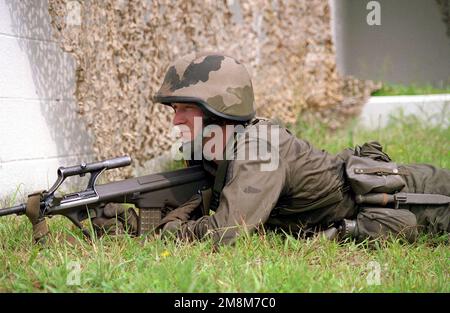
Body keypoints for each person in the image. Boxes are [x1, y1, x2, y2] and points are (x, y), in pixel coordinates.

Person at [96, 52, 450, 245]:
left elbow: (226, 233)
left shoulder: (257, 149)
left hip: (420, 197)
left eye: (186, 109)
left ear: (221, 108)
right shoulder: (214, 149)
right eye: (175, 111)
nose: (176, 121)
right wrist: (135, 218)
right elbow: (197, 202)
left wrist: (162, 231)